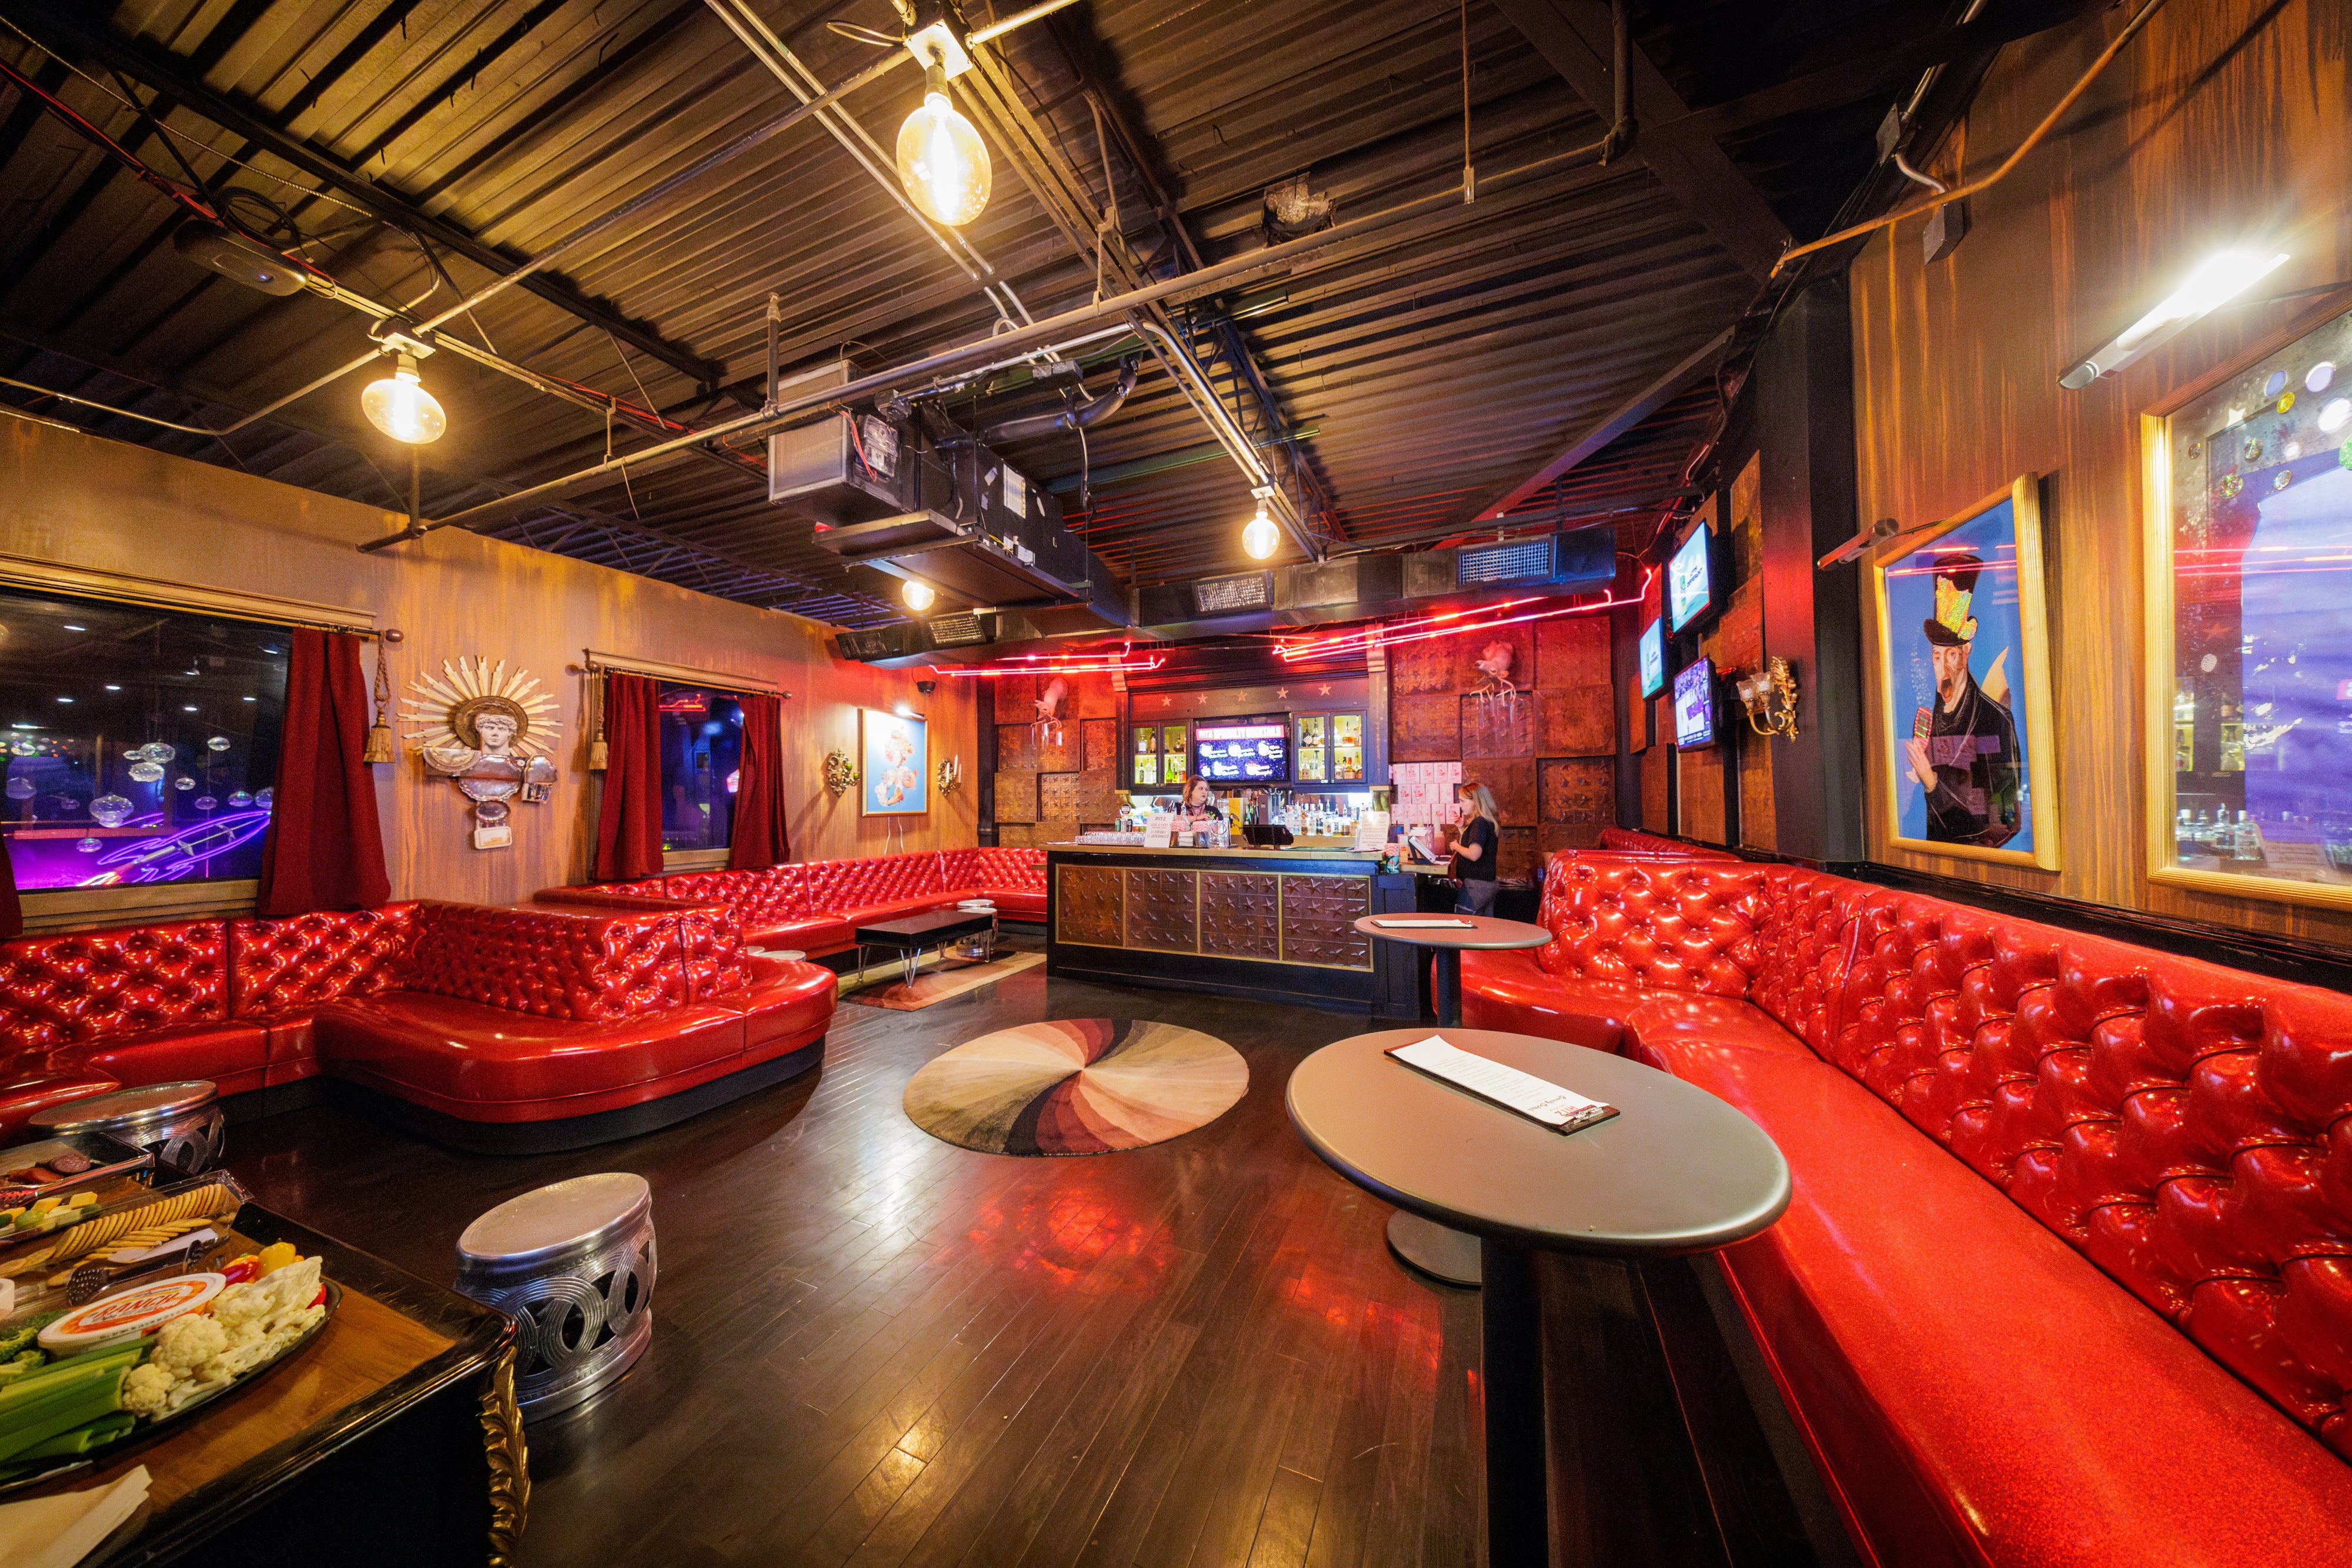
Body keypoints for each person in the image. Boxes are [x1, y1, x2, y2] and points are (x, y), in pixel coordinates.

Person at [1901, 552, 2021, 847]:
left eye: (1952, 654)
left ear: (1966, 655)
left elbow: (2004, 817)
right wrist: (1913, 781)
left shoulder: (1994, 720)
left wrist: (1933, 783)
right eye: (1937, 655)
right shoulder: (1931, 720)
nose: (1943, 667)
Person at [1449, 781, 1500, 915]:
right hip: (1485, 884)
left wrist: (1456, 846)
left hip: (1476, 886)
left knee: (1464, 929)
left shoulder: (1479, 823)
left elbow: (1474, 854)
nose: (1460, 805)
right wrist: (1461, 828)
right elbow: (1475, 845)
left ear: (1475, 801)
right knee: (1484, 929)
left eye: (1463, 801)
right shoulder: (1485, 821)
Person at [1177, 777, 1225, 846]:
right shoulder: (1179, 807)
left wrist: (1216, 829)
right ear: (1190, 790)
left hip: (1207, 849)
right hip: (1183, 848)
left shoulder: (1213, 811)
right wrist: (1197, 818)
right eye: (1201, 789)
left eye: (1206, 790)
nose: (1204, 792)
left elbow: (1222, 831)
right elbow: (1173, 819)